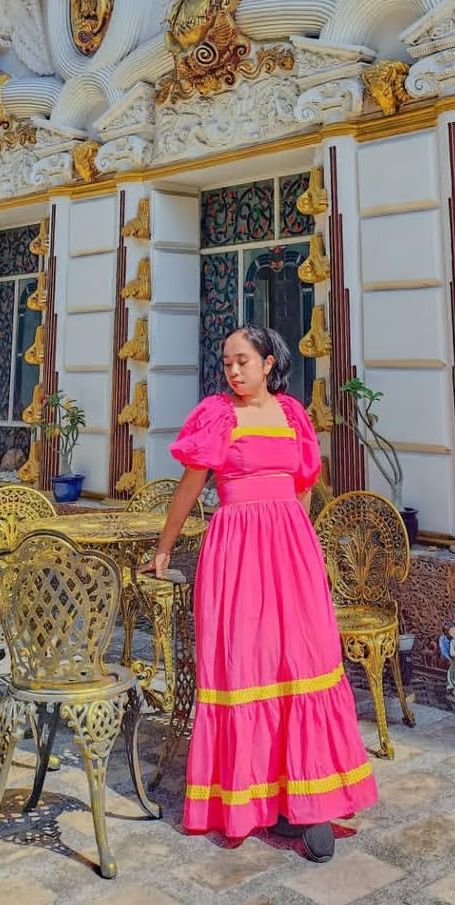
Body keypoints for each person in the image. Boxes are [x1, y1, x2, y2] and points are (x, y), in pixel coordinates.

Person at [145, 325, 377, 861]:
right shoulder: (216, 415)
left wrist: (291, 535)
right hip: (235, 552)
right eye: (227, 362)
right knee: (247, 665)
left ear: (269, 363)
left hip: (290, 550)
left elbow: (300, 484)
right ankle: (255, 801)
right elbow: (189, 488)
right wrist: (164, 547)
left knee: (303, 661)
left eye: (243, 360)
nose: (233, 371)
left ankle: (309, 799)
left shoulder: (293, 414)